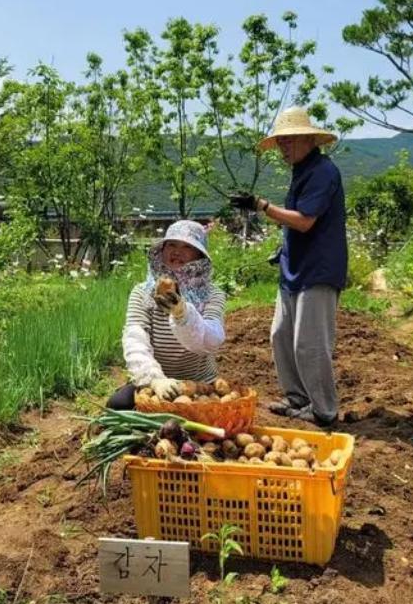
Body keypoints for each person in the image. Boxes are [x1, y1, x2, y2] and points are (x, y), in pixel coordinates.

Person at [230, 106, 347, 427]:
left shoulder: (323, 171)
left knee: (309, 344)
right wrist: (283, 249)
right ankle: (297, 398)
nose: (283, 147)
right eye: (280, 141)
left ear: (309, 138)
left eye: (289, 140)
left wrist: (261, 206)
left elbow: (306, 222)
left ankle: (324, 410)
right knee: (280, 335)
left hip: (318, 271)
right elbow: (299, 224)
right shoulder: (302, 171)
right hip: (294, 267)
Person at [107, 220, 226, 410]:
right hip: (158, 383)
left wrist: (182, 314)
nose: (177, 251)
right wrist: (154, 379)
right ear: (161, 250)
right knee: (117, 404)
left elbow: (211, 341)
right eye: (171, 244)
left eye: (187, 246)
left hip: (200, 384)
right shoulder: (143, 292)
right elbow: (135, 339)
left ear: (199, 255)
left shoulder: (213, 295)